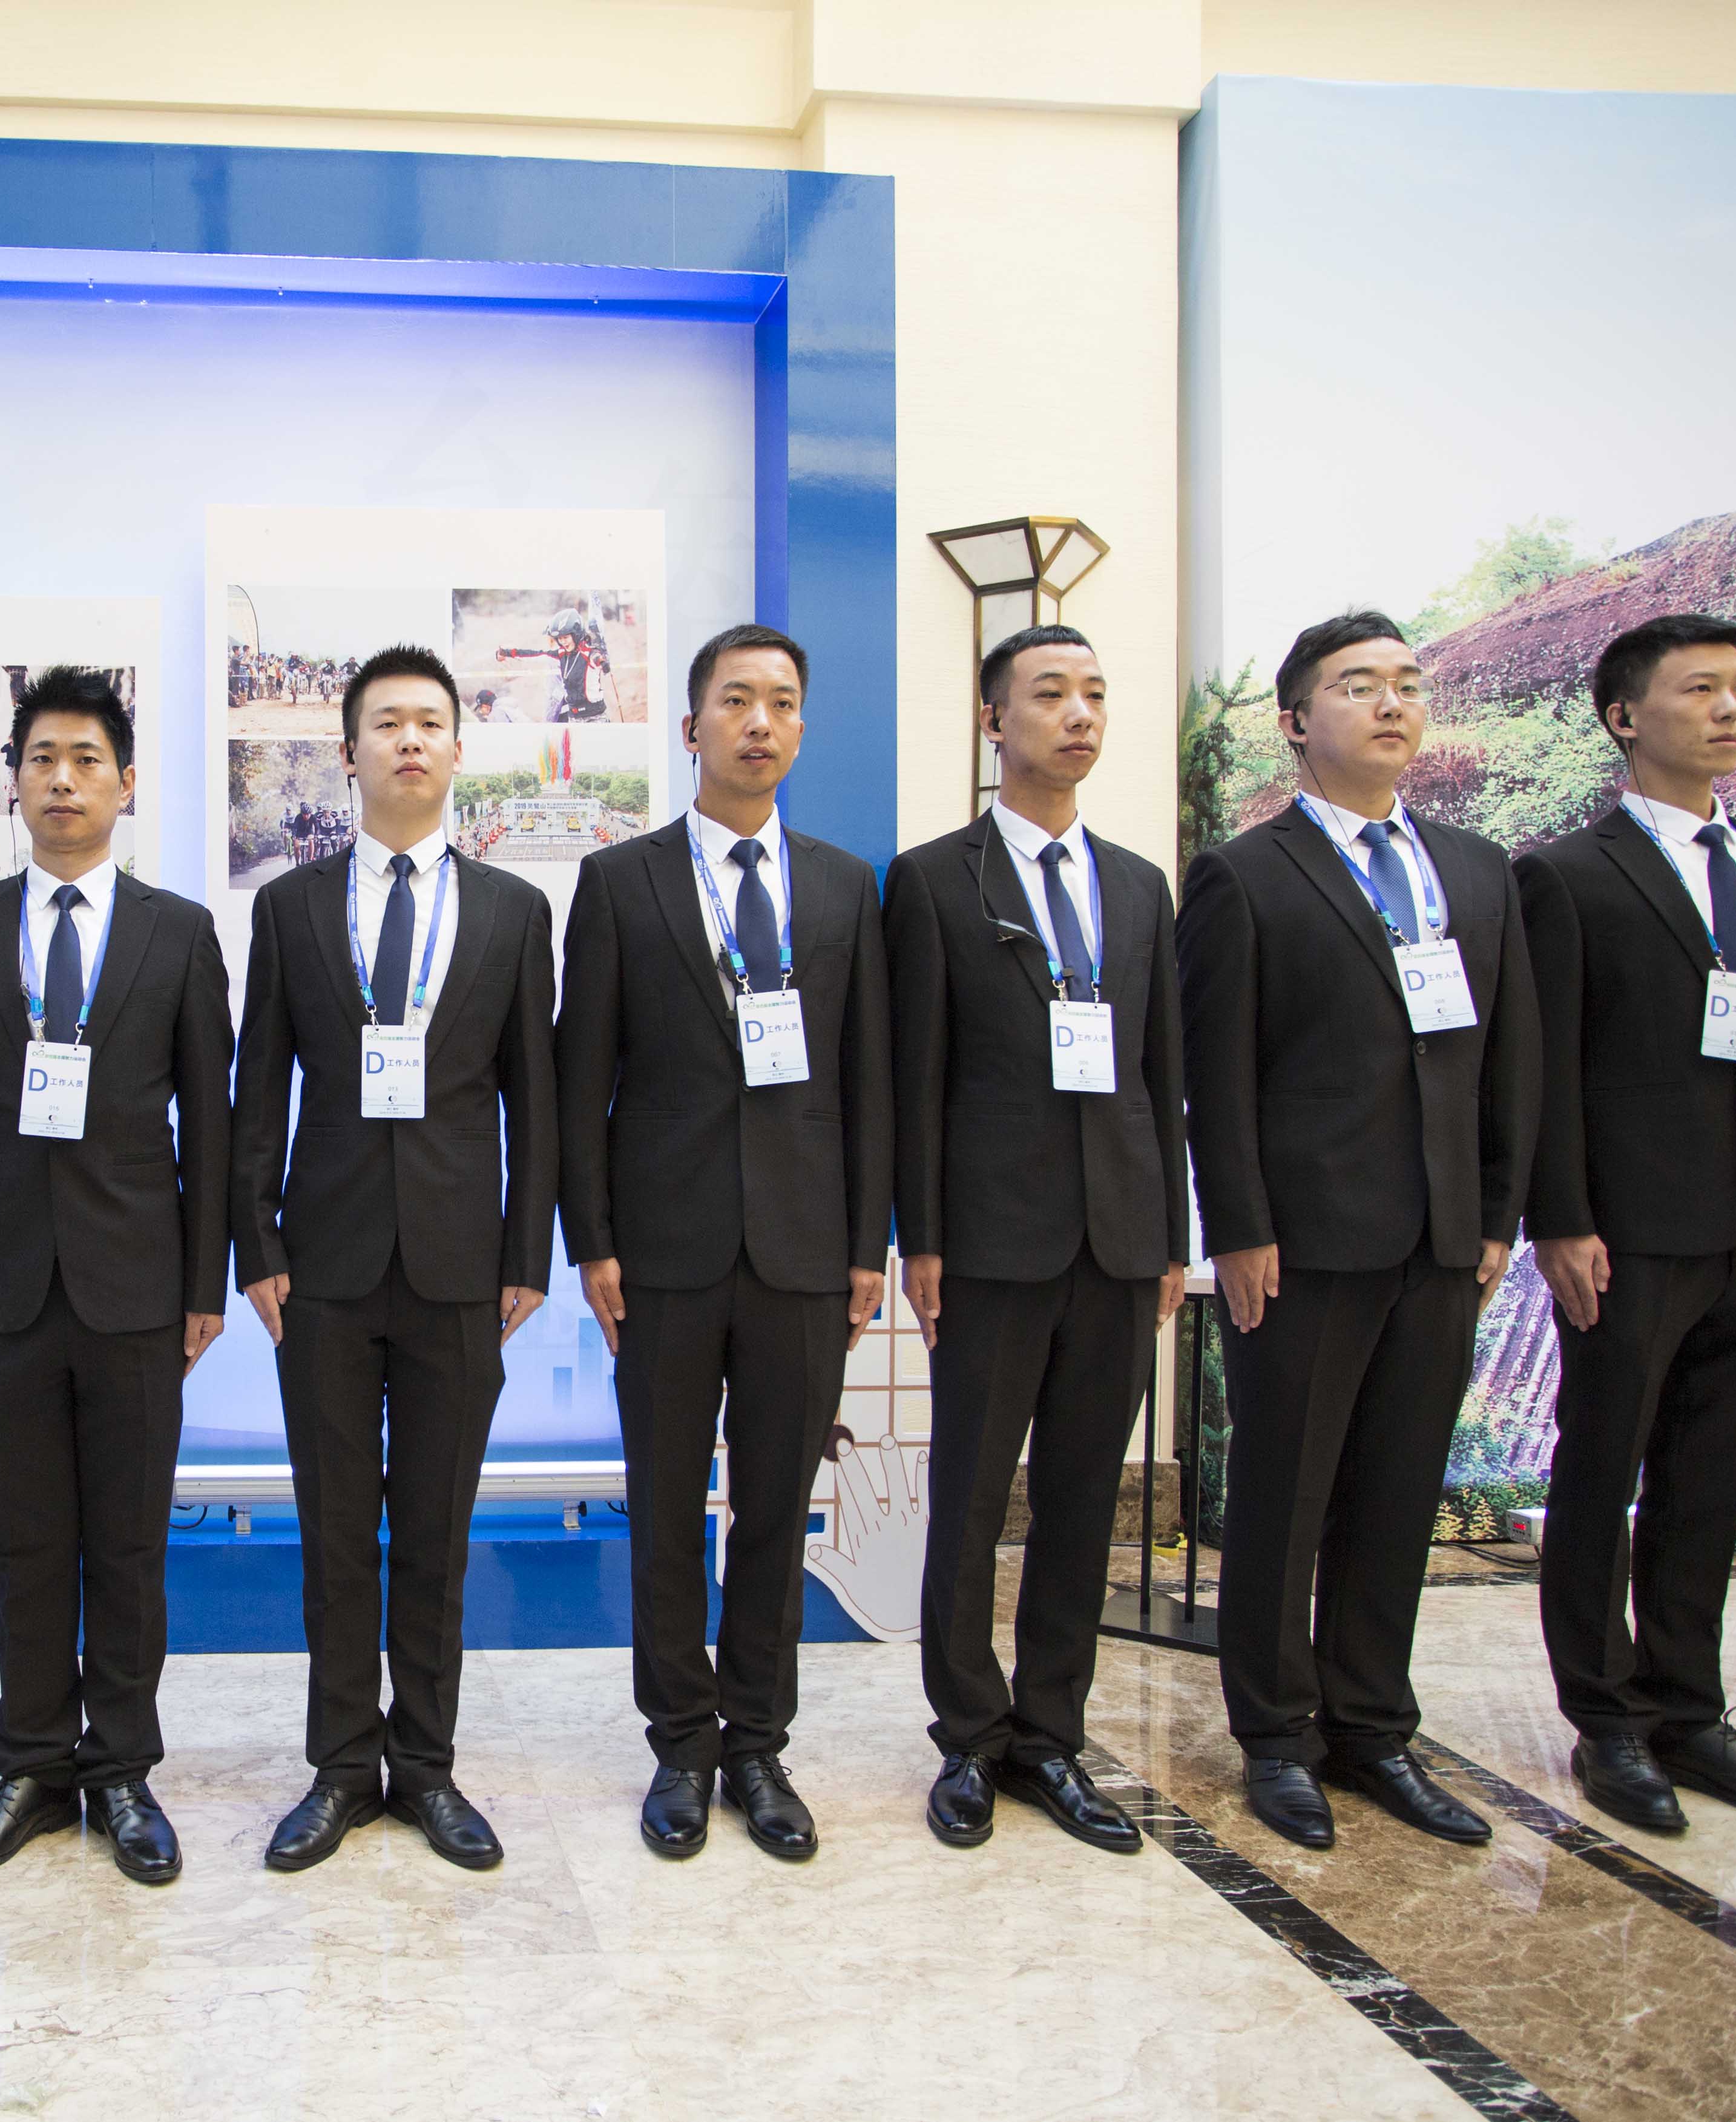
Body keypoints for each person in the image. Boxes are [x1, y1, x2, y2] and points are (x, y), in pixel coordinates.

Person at [1179, 611, 1537, 1851]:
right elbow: (1216, 1071)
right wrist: (1239, 1225)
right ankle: (1276, 1736)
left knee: (1396, 1493)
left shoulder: (1476, 870)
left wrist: (1494, 1215)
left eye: (1405, 683)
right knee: (1284, 1495)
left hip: (1440, 1241)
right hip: (1302, 1243)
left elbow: (1509, 1055)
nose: (1390, 704)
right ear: (1295, 720)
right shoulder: (1244, 875)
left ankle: (1373, 1728)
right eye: (1355, 685)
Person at [556, 622, 889, 1862]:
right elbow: (578, 1080)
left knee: (773, 1509)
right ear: (691, 725)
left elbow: (870, 1079)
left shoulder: (846, 886)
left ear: (801, 727)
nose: (761, 721)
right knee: (662, 1506)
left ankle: (756, 1741)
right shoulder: (619, 883)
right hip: (662, 1252)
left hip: (804, 1249)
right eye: (737, 700)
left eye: (782, 702)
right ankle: (678, 1744)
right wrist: (591, 1239)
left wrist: (868, 1240)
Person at [1518, 614, 1736, 1834]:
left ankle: (1688, 1711)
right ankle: (1605, 1720)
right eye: (1699, 689)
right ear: (1624, 716)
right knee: (1600, 1470)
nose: (1728, 710)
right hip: (1629, 1230)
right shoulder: (1565, 874)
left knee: (1708, 1480)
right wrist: (1560, 1216)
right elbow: (1545, 1063)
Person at [231, 644, 556, 1873]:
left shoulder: (514, 912)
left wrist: (527, 1251)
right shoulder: (290, 907)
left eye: (428, 722)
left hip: (461, 1267)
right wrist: (257, 1243)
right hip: (319, 1267)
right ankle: (336, 1767)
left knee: (432, 1530)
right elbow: (257, 1086)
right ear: (350, 752)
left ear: (457, 751)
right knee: (332, 1532)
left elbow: (536, 1098)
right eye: (386, 723)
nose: (409, 741)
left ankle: (424, 1765)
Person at [0, 666, 231, 1885]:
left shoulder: (177, 932)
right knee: (26, 1539)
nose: (62, 778)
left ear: (125, 783)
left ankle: (123, 1769)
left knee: (129, 1544)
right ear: (13, 779)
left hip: (138, 1289)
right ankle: (34, 1765)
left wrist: (205, 1283)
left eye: (87, 758)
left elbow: (213, 1121)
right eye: (41, 757)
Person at [885, 625, 1188, 1858]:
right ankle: (968, 1733)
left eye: (1094, 695)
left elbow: (1161, 1075)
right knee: (970, 1496)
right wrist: (922, 1235)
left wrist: (1169, 1232)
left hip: (1118, 1241)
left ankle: (1050, 1735)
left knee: (1082, 1498)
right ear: (991, 719)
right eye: (1049, 693)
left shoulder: (1139, 885)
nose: (1078, 715)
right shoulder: (933, 880)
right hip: (990, 1243)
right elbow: (915, 1075)